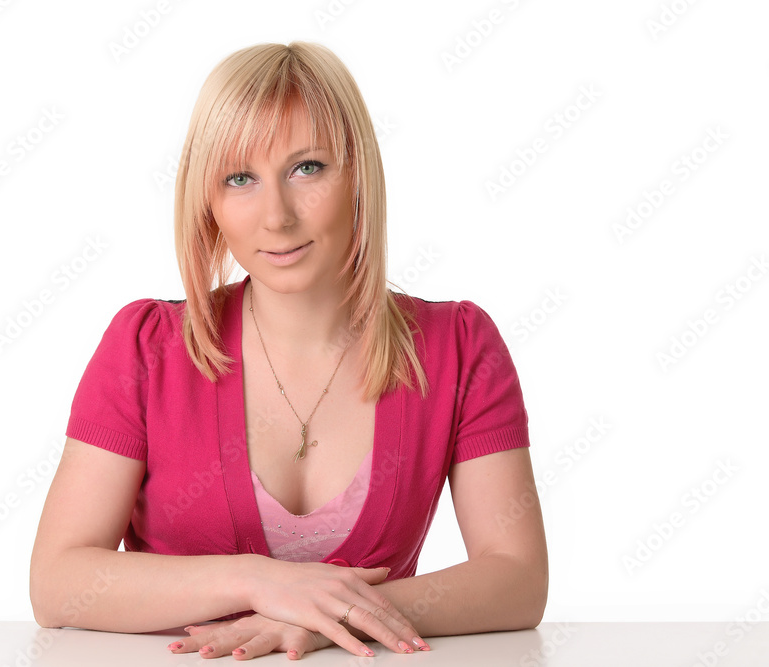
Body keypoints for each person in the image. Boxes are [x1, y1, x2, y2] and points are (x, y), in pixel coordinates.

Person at [29, 40, 548, 661]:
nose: (276, 216)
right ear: (209, 202)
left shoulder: (458, 347)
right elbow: (57, 584)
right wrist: (261, 582)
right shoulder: (146, 349)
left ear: (357, 175)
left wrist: (336, 616)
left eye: (308, 168)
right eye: (240, 179)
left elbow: (518, 579)